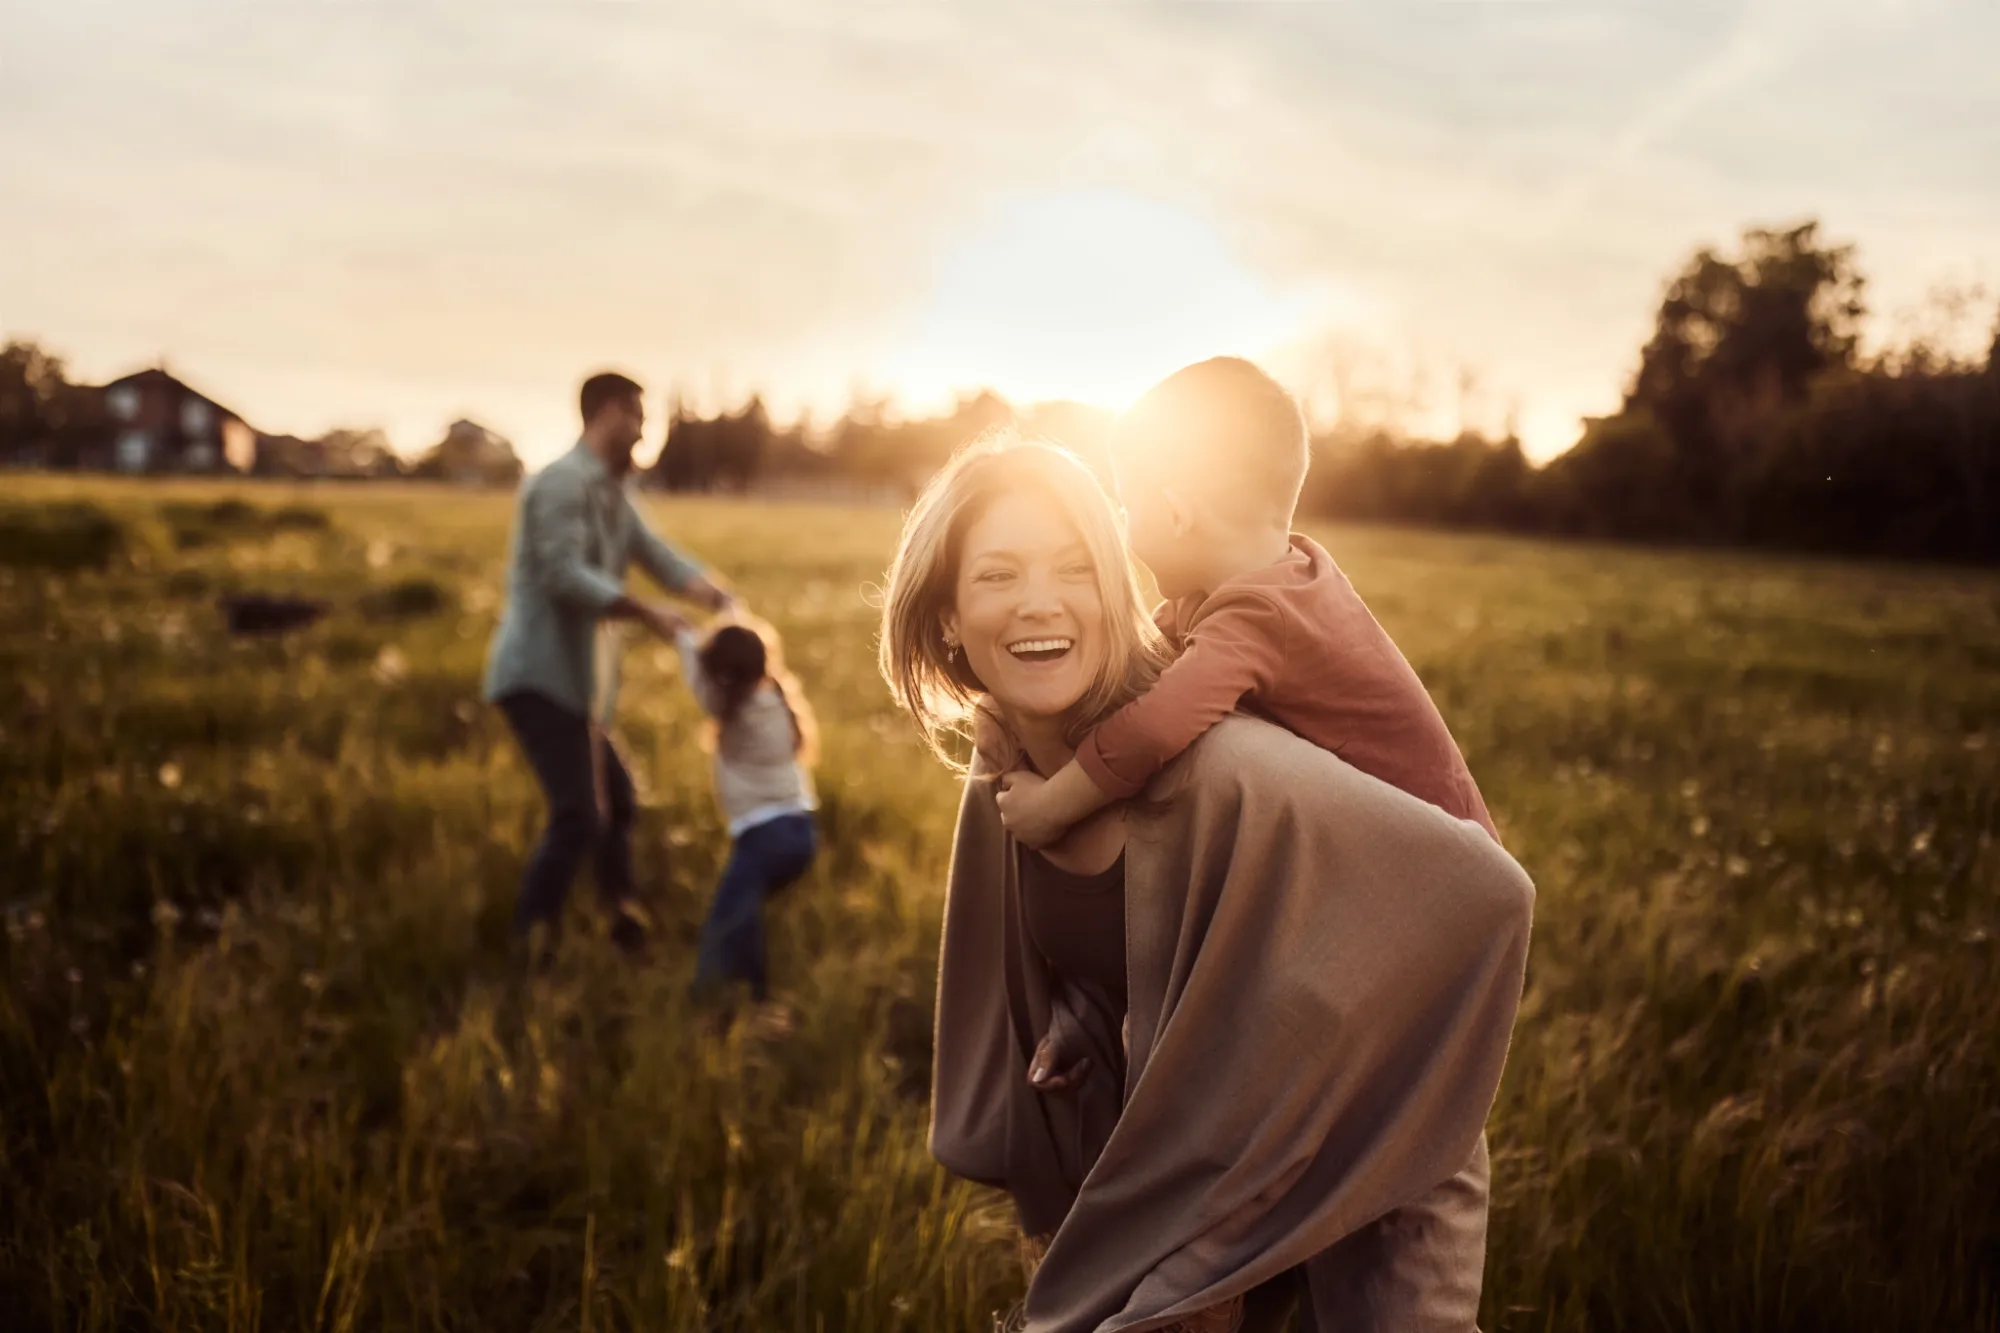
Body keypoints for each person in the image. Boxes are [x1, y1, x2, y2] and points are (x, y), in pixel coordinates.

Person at [878, 435, 1534, 1332]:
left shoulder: (1224, 769)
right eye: (997, 575)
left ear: (1116, 586)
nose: (1040, 602)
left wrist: (1260, 1084)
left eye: (1076, 566)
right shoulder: (1007, 774)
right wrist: (1090, 1023)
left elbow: (1487, 894)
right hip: (1205, 1162)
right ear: (947, 615)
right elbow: (1120, 945)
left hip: (1377, 1131)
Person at [995, 356, 1497, 855]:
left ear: (1175, 513)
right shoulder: (1281, 575)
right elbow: (1134, 658)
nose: (1123, 527)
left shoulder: (1262, 616)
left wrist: (1051, 807)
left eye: (1127, 505)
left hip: (1441, 860)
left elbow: (1151, 729)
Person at [483, 371, 733, 957]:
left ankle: (621, 914)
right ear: (605, 415)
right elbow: (561, 574)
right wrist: (647, 612)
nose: (644, 428)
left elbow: (657, 554)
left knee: (618, 801)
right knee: (579, 814)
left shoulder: (615, 494)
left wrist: (716, 596)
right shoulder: (559, 484)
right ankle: (530, 940)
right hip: (538, 676)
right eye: (636, 416)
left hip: (579, 686)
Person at [675, 616, 821, 1006]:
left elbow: (699, 682)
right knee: (743, 917)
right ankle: (754, 996)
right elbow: (745, 655)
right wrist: (729, 608)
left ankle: (707, 1006)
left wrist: (684, 634)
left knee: (724, 928)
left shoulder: (731, 708)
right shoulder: (777, 696)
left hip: (764, 838)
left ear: (719, 674)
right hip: (801, 832)